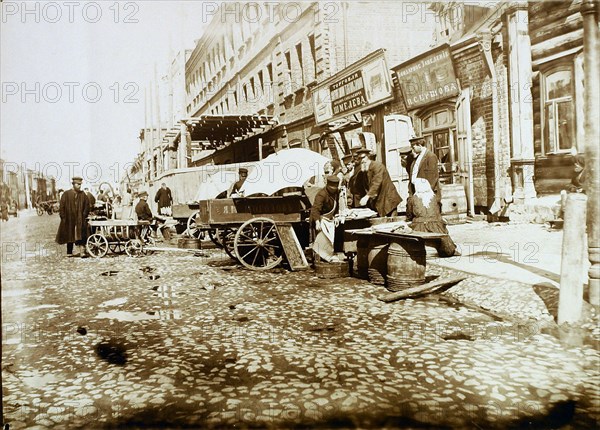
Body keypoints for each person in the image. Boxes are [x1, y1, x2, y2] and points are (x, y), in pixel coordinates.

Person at [408, 178, 459, 257]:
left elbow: (410, 214)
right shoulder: (434, 198)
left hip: (419, 225)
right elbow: (438, 211)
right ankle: (448, 250)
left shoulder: (412, 199)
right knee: (443, 233)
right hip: (436, 225)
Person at [355, 148, 402, 217]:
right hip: (377, 201)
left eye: (363, 157)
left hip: (388, 199)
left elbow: (376, 183)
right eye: (359, 158)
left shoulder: (377, 166)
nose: (362, 160)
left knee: (392, 223)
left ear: (368, 157)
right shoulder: (363, 171)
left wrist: (367, 196)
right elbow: (359, 187)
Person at [55, 176, 90, 257]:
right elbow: (62, 207)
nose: (79, 186)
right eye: (78, 184)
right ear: (73, 184)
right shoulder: (66, 194)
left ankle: (82, 251)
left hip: (79, 218)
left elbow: (87, 205)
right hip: (69, 218)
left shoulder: (83, 195)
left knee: (81, 234)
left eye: (80, 184)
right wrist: (63, 217)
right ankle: (69, 251)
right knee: (70, 234)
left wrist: (84, 214)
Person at [310, 176, 342, 262]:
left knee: (331, 239)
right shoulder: (322, 194)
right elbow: (315, 209)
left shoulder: (336, 193)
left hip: (329, 219)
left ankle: (328, 256)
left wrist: (336, 216)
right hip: (320, 218)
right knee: (322, 239)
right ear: (328, 186)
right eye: (332, 188)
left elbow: (336, 205)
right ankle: (321, 257)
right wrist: (317, 222)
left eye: (335, 188)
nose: (333, 189)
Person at [408, 136, 441, 204]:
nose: (412, 150)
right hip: (419, 193)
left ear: (419, 145)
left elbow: (433, 178)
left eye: (413, 147)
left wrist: (426, 193)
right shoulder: (417, 157)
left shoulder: (430, 156)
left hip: (427, 195)